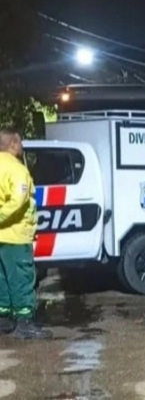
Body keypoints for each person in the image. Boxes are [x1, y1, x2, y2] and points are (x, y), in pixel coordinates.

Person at [0, 129, 51, 339]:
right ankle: (25, 323)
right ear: (12, 143)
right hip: (15, 236)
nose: (22, 146)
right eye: (20, 142)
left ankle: (4, 319)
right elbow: (18, 201)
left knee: (2, 279)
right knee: (21, 279)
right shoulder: (17, 169)